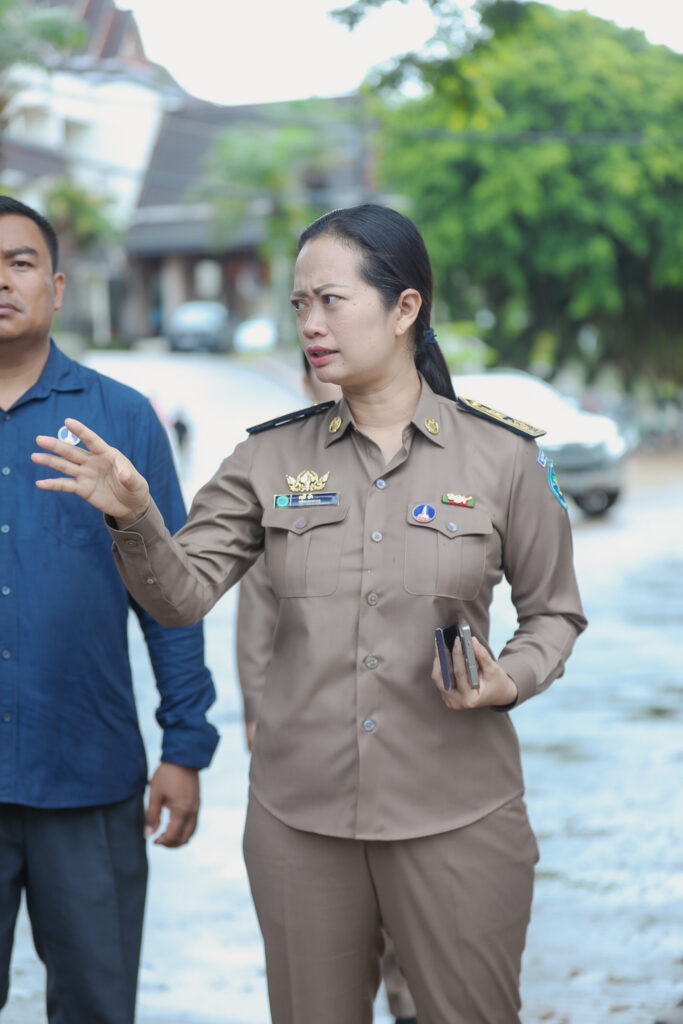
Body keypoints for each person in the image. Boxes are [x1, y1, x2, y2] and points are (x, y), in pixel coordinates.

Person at [33, 202, 587, 1024]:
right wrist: (135, 516)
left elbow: (554, 614)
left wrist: (509, 679)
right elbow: (181, 596)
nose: (310, 325)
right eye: (299, 304)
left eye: (331, 300)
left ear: (404, 308)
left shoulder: (502, 458)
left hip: (458, 814)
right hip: (300, 821)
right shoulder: (267, 457)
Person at [0, 195, 219, 1023]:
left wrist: (185, 746)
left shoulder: (120, 419)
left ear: (57, 287)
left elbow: (171, 593)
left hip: (87, 776)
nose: (2, 281)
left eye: (20, 262)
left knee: (96, 1006)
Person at [235, 351, 418, 1024]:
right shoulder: (284, 469)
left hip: (415, 746)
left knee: (416, 934)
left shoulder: (435, 458)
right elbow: (258, 608)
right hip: (315, 743)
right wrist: (257, 709)